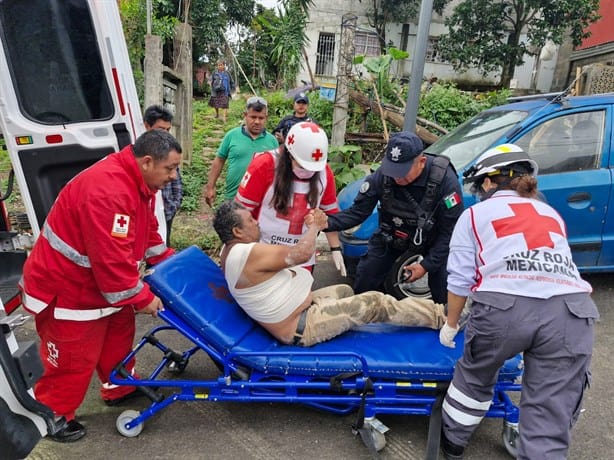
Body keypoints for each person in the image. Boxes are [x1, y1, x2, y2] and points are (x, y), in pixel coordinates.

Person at [19, 130, 182, 442]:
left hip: (101, 288)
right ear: (147, 162)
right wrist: (143, 297)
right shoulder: (109, 192)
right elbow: (109, 260)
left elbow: (143, 229)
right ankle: (52, 415)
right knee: (72, 358)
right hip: (68, 289)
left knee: (117, 339)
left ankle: (119, 386)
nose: (173, 176)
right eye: (170, 168)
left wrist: (164, 259)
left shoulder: (137, 183)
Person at [439, 144, 598, 460]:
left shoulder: (474, 215)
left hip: (504, 310)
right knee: (550, 411)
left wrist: (451, 324)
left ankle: (453, 443)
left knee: (473, 377)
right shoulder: (551, 213)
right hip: (571, 312)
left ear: (488, 182)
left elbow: (459, 281)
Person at [213, 201, 446, 346]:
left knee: (345, 290)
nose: (257, 223)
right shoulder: (246, 253)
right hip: (302, 326)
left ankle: (359, 326)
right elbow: (301, 254)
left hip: (303, 309)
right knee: (375, 302)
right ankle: (441, 317)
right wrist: (315, 226)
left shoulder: (228, 251)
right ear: (237, 231)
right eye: (251, 220)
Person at [324, 131, 463, 304]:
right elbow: (357, 212)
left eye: (403, 171)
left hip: (432, 240)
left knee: (443, 285)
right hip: (392, 234)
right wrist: (326, 222)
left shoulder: (445, 180)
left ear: (421, 162)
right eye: (393, 170)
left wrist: (426, 265)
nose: (397, 176)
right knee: (366, 277)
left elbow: (450, 232)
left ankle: (444, 324)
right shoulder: (383, 176)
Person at [236, 121, 346, 275]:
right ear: (289, 154)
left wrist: (335, 248)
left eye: (312, 168)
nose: (308, 172)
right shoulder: (264, 165)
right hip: (263, 251)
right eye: (302, 166)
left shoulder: (324, 173)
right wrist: (236, 250)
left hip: (302, 258)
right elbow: (240, 212)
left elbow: (330, 213)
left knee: (300, 295)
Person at [205, 96, 278, 206]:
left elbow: (278, 170)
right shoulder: (232, 136)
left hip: (261, 202)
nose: (257, 121)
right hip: (234, 198)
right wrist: (210, 187)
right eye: (253, 117)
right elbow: (219, 161)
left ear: (266, 118)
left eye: (261, 118)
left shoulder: (272, 141)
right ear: (245, 115)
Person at [143, 104, 183, 246]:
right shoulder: (138, 153)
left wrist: (173, 205)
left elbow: (177, 182)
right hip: (145, 216)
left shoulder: (169, 150)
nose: (165, 135)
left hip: (166, 212)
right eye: (161, 129)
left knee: (163, 245)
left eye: (168, 130)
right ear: (147, 126)